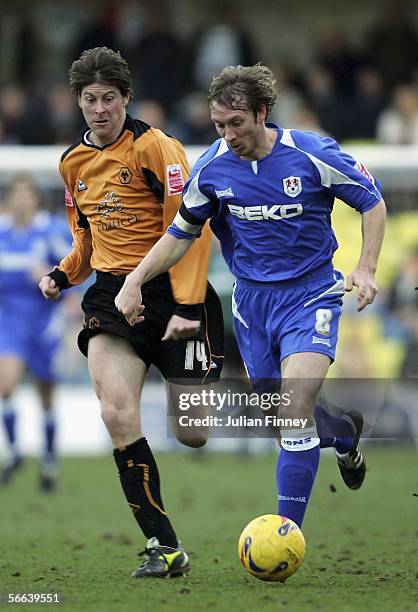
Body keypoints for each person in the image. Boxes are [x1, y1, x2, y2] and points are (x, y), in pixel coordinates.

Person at [115, 64, 386, 530]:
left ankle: (286, 533)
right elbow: (181, 233)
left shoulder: (311, 153)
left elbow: (372, 202)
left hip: (312, 294)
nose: (227, 134)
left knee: (296, 403)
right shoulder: (213, 167)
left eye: (236, 123)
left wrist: (365, 267)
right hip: (252, 304)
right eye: (218, 125)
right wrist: (135, 278)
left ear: (262, 113)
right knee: (282, 417)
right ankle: (343, 435)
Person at [38, 47, 224, 578]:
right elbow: (86, 240)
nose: (99, 110)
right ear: (78, 101)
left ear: (127, 99)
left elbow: (193, 228)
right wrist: (62, 274)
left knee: (193, 431)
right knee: (116, 412)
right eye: (90, 100)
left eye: (109, 99)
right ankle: (165, 548)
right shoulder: (72, 163)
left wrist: (186, 304)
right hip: (112, 298)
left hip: (172, 290)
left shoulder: (156, 149)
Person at [0, 174, 71, 491]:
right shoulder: (1, 232)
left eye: (27, 195)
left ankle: (50, 460)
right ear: (9, 200)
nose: (21, 201)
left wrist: (52, 281)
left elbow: (73, 267)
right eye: (17, 195)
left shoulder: (51, 231)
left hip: (44, 321)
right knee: (6, 386)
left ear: (36, 200)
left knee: (45, 395)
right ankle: (15, 453)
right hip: (10, 320)